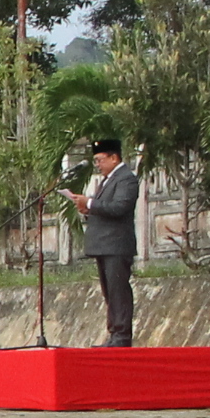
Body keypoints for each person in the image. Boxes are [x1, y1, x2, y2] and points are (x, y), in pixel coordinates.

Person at [78, 138, 138, 348]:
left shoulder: (126, 179)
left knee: (118, 290)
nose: (98, 165)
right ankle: (114, 333)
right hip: (104, 245)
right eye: (95, 161)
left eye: (100, 160)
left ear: (114, 158)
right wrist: (88, 209)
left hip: (117, 245)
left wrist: (91, 203)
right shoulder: (107, 180)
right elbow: (104, 208)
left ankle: (122, 336)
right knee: (109, 291)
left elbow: (119, 207)